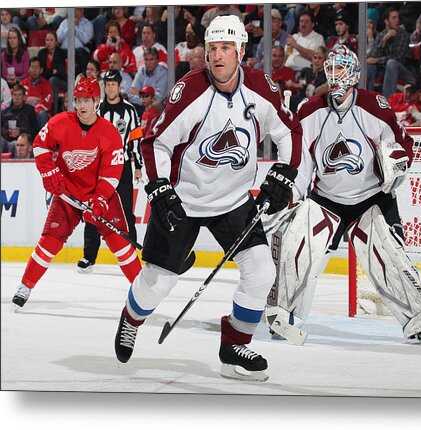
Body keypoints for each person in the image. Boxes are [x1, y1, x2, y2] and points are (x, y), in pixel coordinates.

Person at [113, 15, 303, 382]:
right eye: (212, 48)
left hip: (234, 201)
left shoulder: (261, 87)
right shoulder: (191, 90)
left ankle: (234, 345)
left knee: (262, 270)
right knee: (158, 282)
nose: (217, 56)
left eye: (225, 49)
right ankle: (131, 319)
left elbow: (289, 131)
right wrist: (159, 187)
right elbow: (156, 142)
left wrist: (285, 172)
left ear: (241, 51)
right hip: (185, 199)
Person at [267, 45, 421, 345]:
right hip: (326, 200)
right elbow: (302, 161)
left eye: (342, 69)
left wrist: (397, 162)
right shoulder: (310, 109)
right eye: (331, 69)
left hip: (372, 198)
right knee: (296, 246)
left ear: (355, 74)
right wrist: (294, 195)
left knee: (388, 258)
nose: (336, 76)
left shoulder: (375, 106)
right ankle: (284, 315)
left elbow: (402, 144)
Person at [12, 77, 142, 310]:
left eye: (87, 100)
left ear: (96, 101)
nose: (81, 106)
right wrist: (48, 171)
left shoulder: (110, 133)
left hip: (100, 196)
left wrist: (100, 198)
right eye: (78, 100)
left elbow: (111, 172)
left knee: (121, 245)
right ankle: (26, 285)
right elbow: (41, 146)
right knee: (48, 243)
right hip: (67, 195)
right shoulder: (61, 122)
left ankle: (144, 294)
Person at [77, 70, 143, 273]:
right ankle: (89, 257)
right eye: (108, 84)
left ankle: (131, 253)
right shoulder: (97, 109)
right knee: (92, 211)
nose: (111, 87)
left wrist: (138, 165)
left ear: (120, 85)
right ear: (104, 86)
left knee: (126, 213)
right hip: (97, 169)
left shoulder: (130, 111)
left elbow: (135, 141)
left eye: (114, 84)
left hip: (122, 167)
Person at [366, 7, 416, 99]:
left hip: (405, 71)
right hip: (385, 70)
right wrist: (384, 41)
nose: (397, 20)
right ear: (386, 21)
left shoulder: (403, 35)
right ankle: (368, 99)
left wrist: (378, 60)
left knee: (391, 63)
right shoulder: (381, 35)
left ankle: (387, 102)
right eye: (394, 18)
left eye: (397, 18)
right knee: (370, 66)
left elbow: (398, 58)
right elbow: (372, 56)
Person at [287, 45, 328, 111]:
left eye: (320, 58)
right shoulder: (306, 71)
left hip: (316, 102)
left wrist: (296, 85)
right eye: (315, 58)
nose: (316, 61)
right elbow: (301, 90)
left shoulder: (326, 75)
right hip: (302, 98)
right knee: (290, 99)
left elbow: (315, 91)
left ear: (325, 60)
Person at [284, 9, 325, 73]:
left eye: (306, 22)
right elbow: (285, 56)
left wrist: (296, 46)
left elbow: (315, 57)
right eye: (301, 21)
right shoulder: (294, 36)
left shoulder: (318, 38)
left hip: (304, 72)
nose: (303, 24)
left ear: (312, 24)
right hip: (287, 70)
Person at [56, 7, 94, 76]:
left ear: (82, 10)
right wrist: (69, 25)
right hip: (64, 51)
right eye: (73, 9)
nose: (74, 11)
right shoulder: (64, 22)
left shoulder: (87, 23)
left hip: (79, 51)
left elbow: (85, 40)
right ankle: (62, 78)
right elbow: (58, 38)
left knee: (81, 53)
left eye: (77, 9)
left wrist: (75, 27)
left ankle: (84, 78)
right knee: (56, 53)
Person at [37, 31, 67, 114]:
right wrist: (53, 71)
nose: (49, 42)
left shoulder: (60, 53)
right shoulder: (41, 53)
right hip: (45, 79)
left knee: (53, 80)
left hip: (61, 81)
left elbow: (61, 72)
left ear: (56, 41)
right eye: (47, 40)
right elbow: (41, 71)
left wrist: (49, 72)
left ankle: (54, 111)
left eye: (51, 40)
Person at [20, 56, 53, 130]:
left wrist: (33, 111)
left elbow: (47, 103)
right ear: (28, 69)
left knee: (42, 114)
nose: (34, 70)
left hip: (39, 115)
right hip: (26, 115)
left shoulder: (46, 84)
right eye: (32, 67)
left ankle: (42, 141)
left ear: (41, 70)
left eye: (37, 67)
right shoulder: (22, 84)